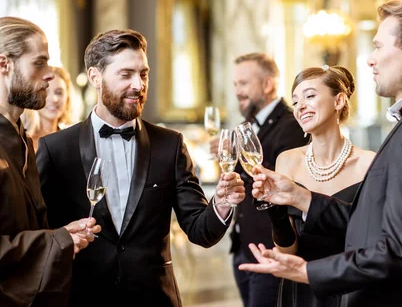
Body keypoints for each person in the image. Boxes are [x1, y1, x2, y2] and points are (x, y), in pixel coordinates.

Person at [240, 0, 402, 306]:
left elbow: (398, 249)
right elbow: (372, 222)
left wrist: (310, 271)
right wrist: (298, 196)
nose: (370, 60)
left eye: (378, 47)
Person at [38, 29, 245, 307]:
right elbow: (39, 231)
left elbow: (200, 231)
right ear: (95, 77)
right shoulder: (56, 148)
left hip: (154, 299)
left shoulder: (170, 145)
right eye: (126, 74)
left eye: (143, 74)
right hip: (81, 297)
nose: (138, 84)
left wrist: (220, 203)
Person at [0, 16, 100, 307]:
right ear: (4, 64)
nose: (49, 74)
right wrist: (59, 241)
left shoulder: (22, 138)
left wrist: (63, 234)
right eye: (39, 63)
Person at [269, 65, 375, 307]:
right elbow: (287, 253)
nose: (300, 107)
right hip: (299, 291)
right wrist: (273, 212)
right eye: (295, 102)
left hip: (351, 289)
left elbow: (372, 240)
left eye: (310, 96)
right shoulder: (286, 161)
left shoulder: (370, 164)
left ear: (338, 101)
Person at [210, 53, 307, 307]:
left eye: (243, 84)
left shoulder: (292, 125)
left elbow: (285, 182)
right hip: (243, 245)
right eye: (235, 85)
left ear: (267, 84)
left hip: (272, 249)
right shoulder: (247, 125)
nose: (237, 91)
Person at [23, 66, 74, 150]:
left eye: (59, 92)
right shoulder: (22, 141)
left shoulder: (73, 139)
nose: (54, 99)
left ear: (67, 97)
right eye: (45, 92)